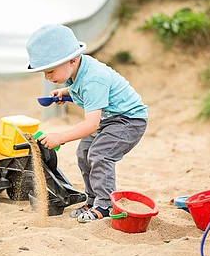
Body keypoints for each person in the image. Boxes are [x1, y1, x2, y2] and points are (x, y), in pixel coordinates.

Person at [25, 24, 148, 223]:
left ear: (72, 60)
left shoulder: (94, 80)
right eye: (45, 73)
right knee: (83, 153)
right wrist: (65, 93)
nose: (47, 77)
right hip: (110, 119)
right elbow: (79, 88)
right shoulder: (78, 69)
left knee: (100, 154)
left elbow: (90, 125)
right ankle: (93, 200)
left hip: (129, 120)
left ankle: (105, 205)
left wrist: (60, 137)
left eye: (50, 71)